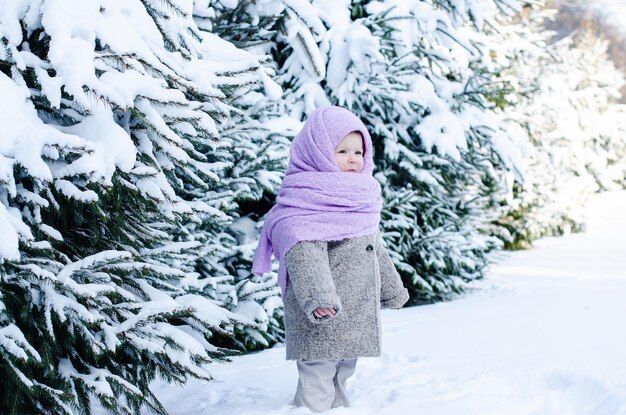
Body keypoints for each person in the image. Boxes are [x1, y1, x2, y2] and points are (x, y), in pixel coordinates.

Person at [252, 106, 409, 413]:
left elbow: (374, 247)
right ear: (317, 153)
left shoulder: (360, 199)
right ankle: (311, 409)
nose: (353, 158)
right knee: (317, 372)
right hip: (321, 310)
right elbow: (303, 253)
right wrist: (318, 297)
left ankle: (338, 409)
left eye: (358, 151)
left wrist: (391, 289)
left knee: (343, 368)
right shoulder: (303, 203)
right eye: (342, 151)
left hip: (354, 311)